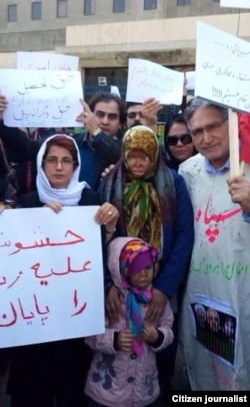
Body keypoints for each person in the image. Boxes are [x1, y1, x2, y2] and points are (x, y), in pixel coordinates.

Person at [4, 134, 119, 407]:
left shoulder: (91, 199)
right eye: (52, 160)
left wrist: (110, 227)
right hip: (33, 327)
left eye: (66, 161)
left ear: (75, 166)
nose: (59, 167)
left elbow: (98, 258)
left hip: (74, 324)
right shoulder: (26, 203)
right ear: (41, 165)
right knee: (32, 395)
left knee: (71, 393)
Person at [100, 125, 194, 398]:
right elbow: (99, 238)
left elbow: (183, 236)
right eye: (132, 155)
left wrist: (163, 289)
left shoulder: (173, 183)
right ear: (124, 155)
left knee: (160, 344)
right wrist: (111, 284)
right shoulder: (109, 182)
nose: (138, 162)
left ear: (155, 155)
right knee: (118, 345)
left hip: (160, 282)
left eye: (145, 155)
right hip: (120, 287)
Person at [179, 97, 250, 390]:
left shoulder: (246, 168)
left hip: (243, 296)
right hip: (204, 297)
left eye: (213, 127)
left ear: (230, 122)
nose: (206, 138)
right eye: (197, 132)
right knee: (211, 374)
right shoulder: (187, 172)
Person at [85, 236, 174, 407]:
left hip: (143, 387)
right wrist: (114, 340)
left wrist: (158, 337)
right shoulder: (110, 300)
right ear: (122, 269)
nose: (144, 274)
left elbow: (168, 327)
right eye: (136, 269)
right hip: (108, 391)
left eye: (148, 268)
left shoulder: (155, 299)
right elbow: (91, 334)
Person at [0, 92, 126, 192]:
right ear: (88, 115)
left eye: (112, 117)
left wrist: (96, 133)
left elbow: (120, 158)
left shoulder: (124, 149)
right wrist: (2, 122)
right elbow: (25, 149)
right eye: (100, 115)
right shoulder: (65, 141)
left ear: (120, 124)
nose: (105, 121)